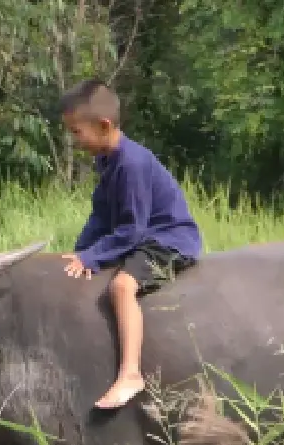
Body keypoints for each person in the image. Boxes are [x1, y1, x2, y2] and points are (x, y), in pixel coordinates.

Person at [59, 78, 204, 409]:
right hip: (144, 235)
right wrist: (83, 252)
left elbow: (131, 230)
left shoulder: (132, 163)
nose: (74, 141)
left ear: (104, 125)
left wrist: (95, 258)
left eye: (76, 132)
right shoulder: (107, 160)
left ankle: (130, 374)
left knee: (122, 287)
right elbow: (101, 215)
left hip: (168, 239)